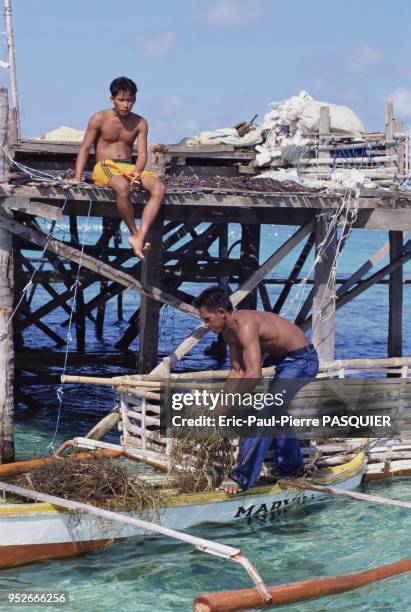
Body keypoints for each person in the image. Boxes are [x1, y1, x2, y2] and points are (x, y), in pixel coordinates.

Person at [194, 286, 319, 494]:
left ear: (222, 313)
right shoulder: (228, 333)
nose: (205, 324)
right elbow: (236, 371)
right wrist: (221, 404)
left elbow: (253, 373)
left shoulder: (245, 326)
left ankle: (242, 477)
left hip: (302, 360)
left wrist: (228, 404)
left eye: (208, 319)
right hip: (283, 361)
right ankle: (292, 467)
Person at [73, 76, 165, 259]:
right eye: (121, 100)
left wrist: (138, 172)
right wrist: (77, 177)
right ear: (112, 99)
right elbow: (84, 149)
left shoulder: (140, 122)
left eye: (129, 100)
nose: (125, 105)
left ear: (134, 100)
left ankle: (140, 236)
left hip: (128, 167)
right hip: (105, 166)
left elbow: (143, 154)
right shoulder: (99, 118)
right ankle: (134, 233)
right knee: (122, 186)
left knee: (159, 187)